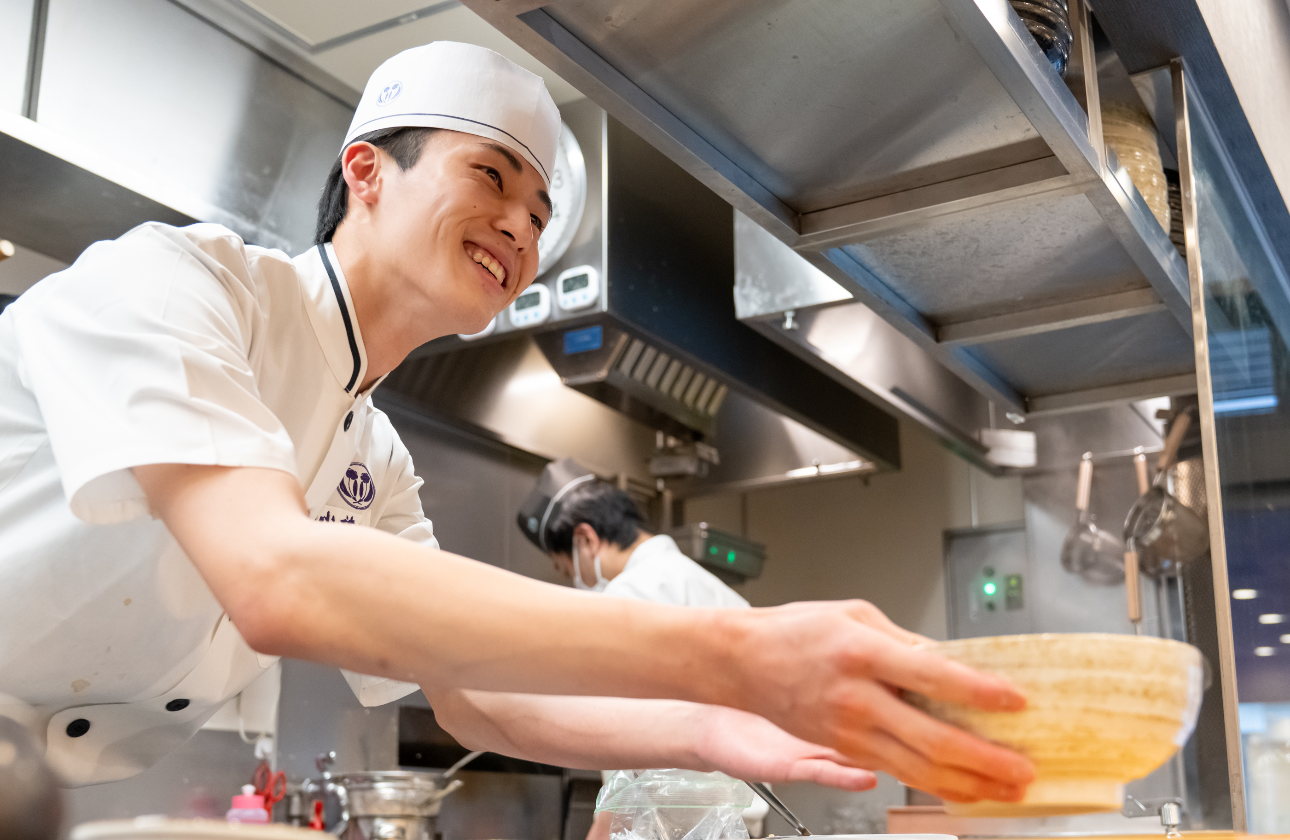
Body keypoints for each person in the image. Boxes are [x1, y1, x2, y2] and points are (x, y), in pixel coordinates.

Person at [0, 41, 1034, 807]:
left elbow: (475, 702)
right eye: (490, 176)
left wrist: (714, 731)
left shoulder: (375, 454)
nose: (519, 228)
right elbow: (275, 577)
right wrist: (732, 652)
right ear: (367, 171)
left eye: (541, 214)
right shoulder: (182, 283)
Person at [519, 459, 766, 838]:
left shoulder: (624, 596)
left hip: (672, 826)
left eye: (567, 570)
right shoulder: (713, 589)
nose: (575, 584)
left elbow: (630, 743)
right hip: (741, 820)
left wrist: (604, 825)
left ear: (585, 540)